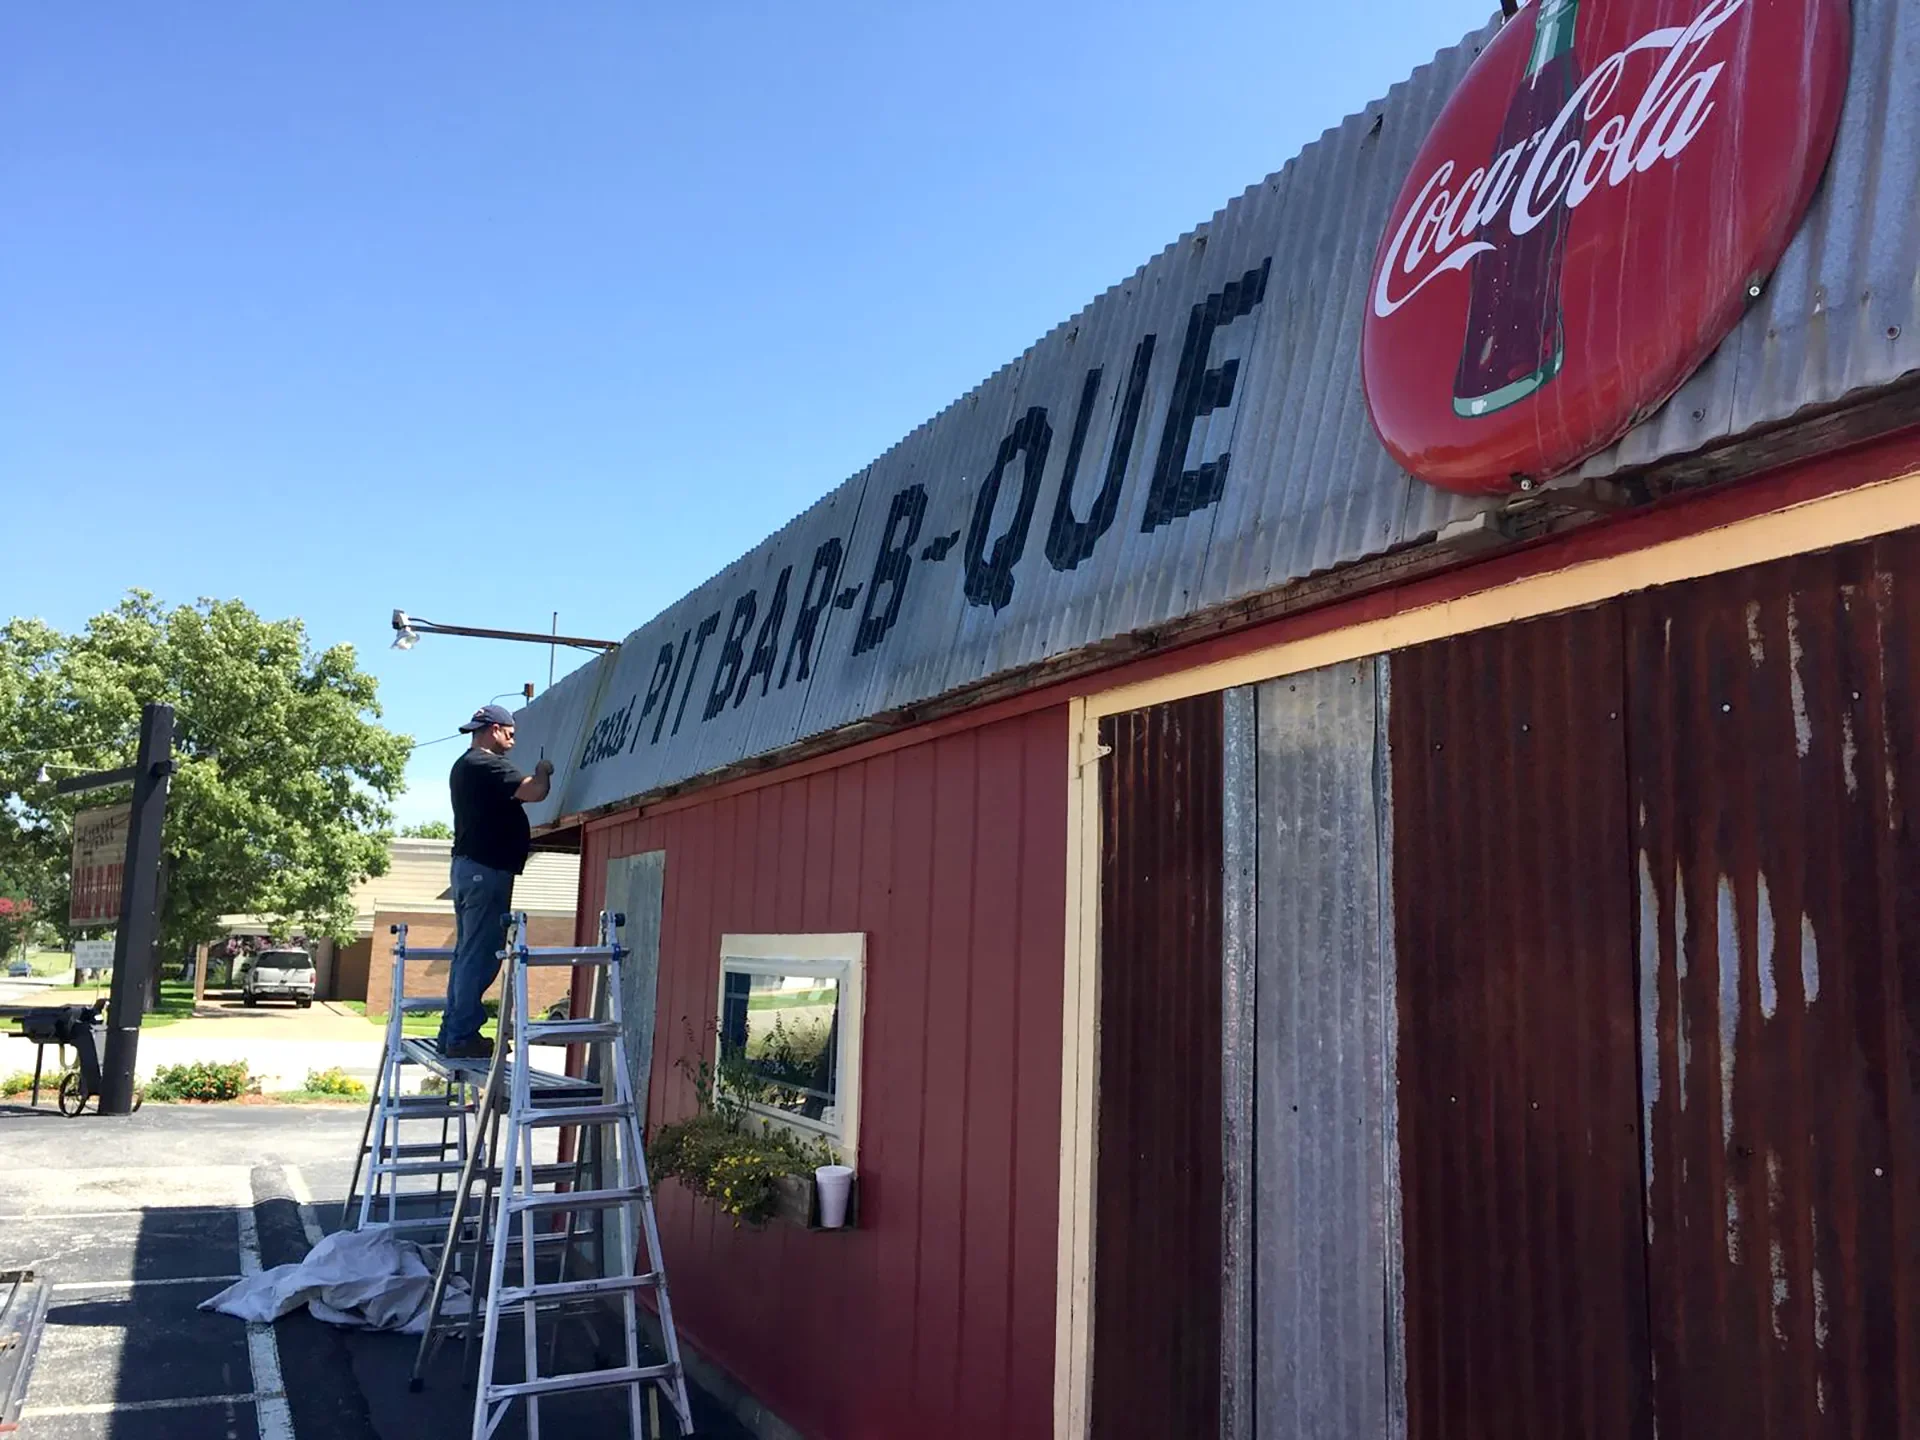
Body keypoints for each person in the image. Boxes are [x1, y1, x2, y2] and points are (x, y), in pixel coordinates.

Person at [441, 703, 552, 1058]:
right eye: (510, 733)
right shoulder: (484, 764)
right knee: (481, 954)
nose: (513, 741)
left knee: (468, 953)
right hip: (484, 870)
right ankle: (462, 1036)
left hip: (471, 868)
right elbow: (534, 791)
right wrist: (544, 770)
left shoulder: (465, 765)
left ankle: (453, 1033)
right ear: (493, 729)